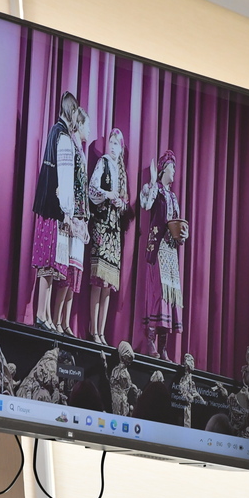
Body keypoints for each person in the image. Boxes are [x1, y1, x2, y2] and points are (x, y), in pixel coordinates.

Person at [31, 91, 79, 332]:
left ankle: (46, 314)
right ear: (72, 112)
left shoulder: (55, 132)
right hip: (54, 207)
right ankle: (41, 313)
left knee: (50, 265)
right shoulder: (63, 137)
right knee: (48, 262)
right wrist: (67, 211)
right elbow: (66, 177)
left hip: (49, 204)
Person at [139, 149, 188, 361]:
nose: (174, 171)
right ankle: (150, 340)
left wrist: (183, 235)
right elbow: (145, 204)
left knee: (170, 295)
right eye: (172, 167)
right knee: (158, 293)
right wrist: (151, 181)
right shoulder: (155, 190)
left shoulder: (174, 197)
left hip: (171, 250)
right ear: (163, 169)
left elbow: (177, 224)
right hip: (158, 248)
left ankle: (163, 346)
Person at [87, 128, 129, 345]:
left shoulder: (121, 172)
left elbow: (125, 202)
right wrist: (107, 194)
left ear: (121, 149)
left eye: (116, 144)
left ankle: (102, 332)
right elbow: (92, 189)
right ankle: (93, 329)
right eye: (111, 142)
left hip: (114, 231)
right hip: (102, 225)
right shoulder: (102, 163)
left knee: (108, 285)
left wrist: (121, 203)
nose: (112, 147)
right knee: (98, 280)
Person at [52, 108, 92, 337]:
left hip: (80, 217)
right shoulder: (72, 146)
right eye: (87, 125)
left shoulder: (81, 150)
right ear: (80, 125)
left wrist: (85, 218)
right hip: (71, 214)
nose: (89, 130)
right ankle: (56, 319)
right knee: (66, 271)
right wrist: (69, 212)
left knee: (75, 271)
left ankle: (65, 322)